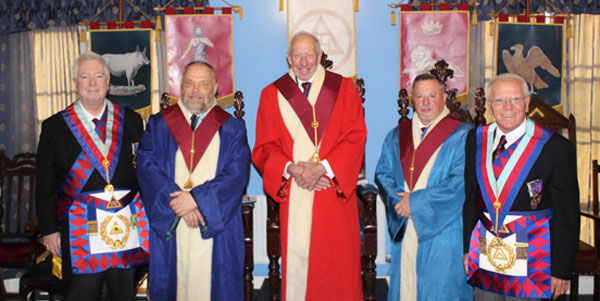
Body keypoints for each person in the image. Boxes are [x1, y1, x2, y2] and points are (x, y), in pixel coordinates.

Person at [252, 30, 366, 300]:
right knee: (299, 266)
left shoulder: (344, 88)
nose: (304, 62)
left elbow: (355, 137)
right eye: (297, 55)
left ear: (320, 56)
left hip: (332, 189)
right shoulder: (272, 94)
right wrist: (292, 168)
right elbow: (264, 147)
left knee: (337, 269)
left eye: (309, 55)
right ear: (288, 57)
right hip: (295, 189)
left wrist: (323, 167)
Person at [35, 52, 149, 300]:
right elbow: (44, 183)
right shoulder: (55, 126)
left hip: (123, 229)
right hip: (77, 231)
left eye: (99, 76)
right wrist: (49, 230)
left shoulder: (130, 120)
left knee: (121, 295)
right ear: (75, 83)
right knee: (81, 295)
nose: (92, 83)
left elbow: (142, 174)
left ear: (108, 82)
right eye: (85, 77)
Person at [136, 61, 250, 300]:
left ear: (216, 88)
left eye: (203, 84)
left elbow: (236, 174)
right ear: (181, 86)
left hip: (215, 223)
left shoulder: (232, 128)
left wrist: (197, 200)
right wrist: (178, 202)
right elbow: (147, 167)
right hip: (172, 217)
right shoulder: (159, 124)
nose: (195, 90)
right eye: (189, 83)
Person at [463, 73, 580, 300]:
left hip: (535, 258)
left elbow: (568, 214)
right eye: (499, 100)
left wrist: (560, 270)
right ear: (489, 106)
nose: (508, 107)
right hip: (487, 251)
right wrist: (468, 248)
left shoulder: (555, 147)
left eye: (515, 99)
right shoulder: (475, 139)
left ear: (527, 103)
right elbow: (471, 198)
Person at [375, 73, 473, 301]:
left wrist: (416, 203)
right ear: (412, 100)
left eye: (432, 95)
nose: (426, 102)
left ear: (444, 97)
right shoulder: (397, 135)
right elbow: (383, 173)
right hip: (406, 223)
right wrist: (400, 202)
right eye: (420, 97)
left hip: (444, 229)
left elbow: (460, 183)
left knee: (441, 289)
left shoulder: (463, 135)